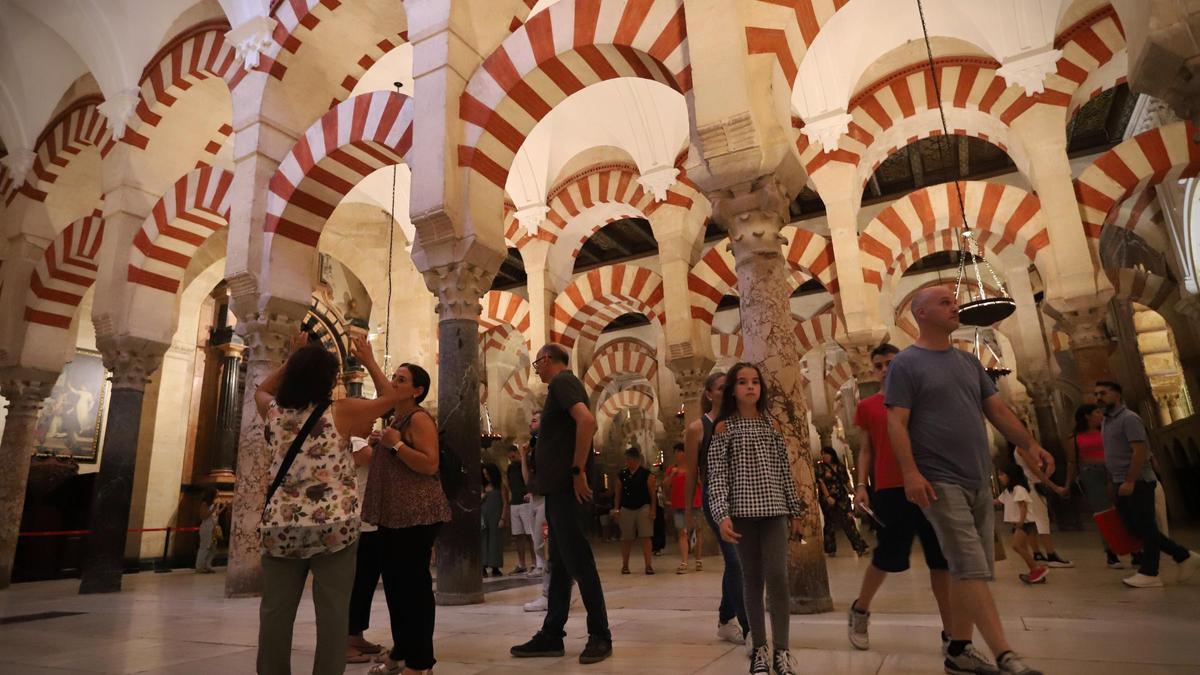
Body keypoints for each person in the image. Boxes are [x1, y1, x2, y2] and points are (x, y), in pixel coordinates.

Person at [887, 285, 1051, 675]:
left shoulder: (967, 362)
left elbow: (996, 409)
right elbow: (897, 421)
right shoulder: (905, 364)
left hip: (978, 477)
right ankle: (1005, 655)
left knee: (967, 568)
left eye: (953, 301)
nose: (954, 306)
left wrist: (1029, 444)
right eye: (944, 302)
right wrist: (910, 471)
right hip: (939, 479)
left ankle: (959, 650)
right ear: (921, 313)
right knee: (968, 563)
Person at [255, 333, 399, 675]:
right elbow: (391, 399)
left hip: (280, 527)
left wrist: (293, 359)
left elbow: (261, 389)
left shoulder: (274, 412)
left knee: (275, 613)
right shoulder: (342, 412)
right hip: (333, 529)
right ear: (329, 380)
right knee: (334, 615)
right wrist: (366, 359)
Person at [847, 343, 952, 654]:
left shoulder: (919, 400)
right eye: (878, 365)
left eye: (889, 363)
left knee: (940, 560)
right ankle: (860, 610)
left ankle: (951, 632)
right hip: (890, 489)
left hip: (927, 484)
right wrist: (862, 485)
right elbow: (866, 449)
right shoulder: (868, 406)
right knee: (888, 556)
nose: (884, 370)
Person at [511, 343, 612, 665]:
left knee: (579, 562)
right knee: (560, 565)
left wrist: (578, 470)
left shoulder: (562, 382)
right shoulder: (560, 386)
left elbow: (587, 421)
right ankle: (552, 633)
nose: (536, 369)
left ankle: (600, 635)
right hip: (557, 491)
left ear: (549, 360)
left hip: (567, 491)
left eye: (538, 363)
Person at [708, 362, 803, 675]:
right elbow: (718, 476)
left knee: (778, 577)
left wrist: (794, 510)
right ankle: (760, 648)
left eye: (755, 382)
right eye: (743, 382)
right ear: (733, 389)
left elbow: (784, 472)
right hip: (743, 515)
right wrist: (722, 515)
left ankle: (783, 651)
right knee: (752, 579)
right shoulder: (724, 428)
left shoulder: (772, 425)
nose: (751, 387)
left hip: (774, 511)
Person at [358, 354, 451, 675]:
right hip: (394, 515)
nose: (393, 383)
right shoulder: (397, 419)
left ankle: (421, 662)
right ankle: (402, 652)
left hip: (417, 515)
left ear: (416, 390)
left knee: (413, 589)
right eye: (393, 377)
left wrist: (396, 446)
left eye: (401, 380)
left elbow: (430, 464)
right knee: (396, 587)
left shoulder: (419, 419)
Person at [1094, 380, 1198, 588]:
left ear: (1117, 395)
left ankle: (1150, 573)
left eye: (1103, 393)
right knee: (1134, 527)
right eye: (1096, 394)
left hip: (1138, 481)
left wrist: (1131, 480)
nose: (1098, 398)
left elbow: (1139, 451)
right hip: (1119, 481)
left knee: (1146, 526)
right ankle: (1183, 555)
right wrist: (1113, 481)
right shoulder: (1106, 421)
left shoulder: (1129, 419)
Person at [682, 371, 749, 645]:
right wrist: (688, 510)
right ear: (709, 394)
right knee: (736, 561)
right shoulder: (697, 428)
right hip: (714, 497)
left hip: (743, 497)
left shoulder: (740, 422)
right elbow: (691, 474)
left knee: (738, 563)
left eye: (728, 387)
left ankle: (724, 619)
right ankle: (749, 628)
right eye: (721, 388)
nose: (726, 391)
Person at [1066, 404, 1122, 568]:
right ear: (1087, 416)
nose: (1101, 414)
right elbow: (1072, 462)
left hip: (1111, 471)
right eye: (1097, 412)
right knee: (1104, 513)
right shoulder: (1074, 437)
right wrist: (1067, 484)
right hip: (1090, 474)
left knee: (1122, 510)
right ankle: (1111, 552)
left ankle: (1133, 550)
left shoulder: (1106, 430)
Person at [1008, 444, 1073, 569]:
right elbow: (1035, 470)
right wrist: (1055, 487)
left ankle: (1037, 553)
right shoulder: (1023, 447)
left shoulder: (1018, 449)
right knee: (1042, 520)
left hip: (1029, 485)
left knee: (1033, 521)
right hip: (1033, 486)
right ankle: (1050, 554)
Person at [996, 464, 1048, 585]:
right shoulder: (1008, 491)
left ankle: (1036, 569)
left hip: (1025, 523)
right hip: (1020, 523)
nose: (1000, 477)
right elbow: (998, 501)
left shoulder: (1018, 489)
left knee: (1016, 546)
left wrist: (1020, 522)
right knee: (1022, 547)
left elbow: (1023, 506)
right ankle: (1034, 569)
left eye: (1002, 474)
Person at [815, 447, 868, 557]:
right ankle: (830, 549)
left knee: (848, 520)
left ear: (832, 454)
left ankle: (860, 546)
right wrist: (828, 496)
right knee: (829, 523)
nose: (824, 456)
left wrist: (854, 493)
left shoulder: (840, 467)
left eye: (826, 454)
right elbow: (821, 482)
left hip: (842, 497)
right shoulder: (820, 468)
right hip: (827, 499)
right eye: (822, 454)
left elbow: (846, 481)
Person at [614, 447, 656, 575]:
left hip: (643, 507)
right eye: (626, 459)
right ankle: (625, 565)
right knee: (626, 538)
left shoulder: (646, 474)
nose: (626, 462)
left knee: (646, 537)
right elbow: (618, 492)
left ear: (635, 459)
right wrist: (616, 508)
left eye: (628, 459)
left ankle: (648, 565)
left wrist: (653, 509)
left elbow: (652, 493)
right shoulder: (622, 474)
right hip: (626, 508)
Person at [665, 442, 703, 573]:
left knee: (696, 531)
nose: (676, 455)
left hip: (694, 504)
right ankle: (684, 562)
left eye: (678, 452)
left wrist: (695, 477)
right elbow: (665, 485)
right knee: (681, 532)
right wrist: (671, 475)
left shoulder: (694, 468)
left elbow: (702, 483)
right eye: (675, 453)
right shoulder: (672, 469)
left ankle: (698, 560)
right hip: (678, 505)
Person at [505, 444, 533, 575]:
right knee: (518, 535)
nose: (512, 459)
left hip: (525, 503)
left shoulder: (525, 464)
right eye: (509, 457)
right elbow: (510, 484)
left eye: (513, 456)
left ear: (517, 453)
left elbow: (529, 479)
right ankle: (522, 563)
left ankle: (535, 562)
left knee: (530, 534)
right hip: (514, 503)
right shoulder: (510, 468)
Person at [481, 462, 506, 577]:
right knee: (484, 540)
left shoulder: (501, 486)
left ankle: (495, 566)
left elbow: (505, 503)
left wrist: (503, 518)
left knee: (495, 540)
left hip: (496, 517)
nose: (486, 476)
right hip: (484, 516)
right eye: (484, 474)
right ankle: (483, 566)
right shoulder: (483, 487)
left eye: (487, 474)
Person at [194, 488, 222, 574]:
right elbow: (203, 516)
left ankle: (207, 565)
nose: (219, 494)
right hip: (206, 528)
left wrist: (222, 508)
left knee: (213, 548)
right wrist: (212, 510)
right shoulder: (205, 503)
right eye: (217, 493)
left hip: (213, 528)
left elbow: (215, 515)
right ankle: (199, 566)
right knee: (205, 547)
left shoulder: (214, 504)